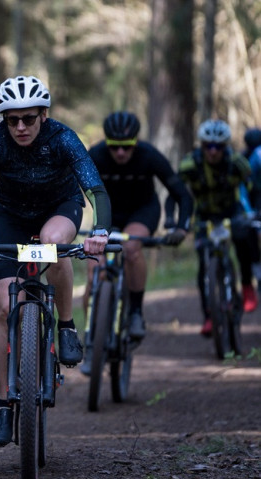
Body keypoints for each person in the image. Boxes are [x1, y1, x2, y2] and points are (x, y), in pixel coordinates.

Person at [0, 75, 111, 448]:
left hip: (60, 208)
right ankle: (5, 402)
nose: (20, 127)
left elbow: (94, 189)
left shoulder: (62, 138)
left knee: (55, 243)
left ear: (44, 114)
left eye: (28, 118)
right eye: (12, 120)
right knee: (8, 309)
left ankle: (67, 325)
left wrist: (100, 231)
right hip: (11, 218)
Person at [81, 111, 193, 373]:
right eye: (115, 147)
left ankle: (135, 313)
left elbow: (181, 194)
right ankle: (91, 339)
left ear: (136, 142)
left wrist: (181, 226)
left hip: (142, 211)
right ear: (107, 143)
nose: (121, 153)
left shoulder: (148, 155)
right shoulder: (95, 155)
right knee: (93, 270)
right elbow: (66, 187)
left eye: (127, 146)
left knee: (131, 248)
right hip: (107, 214)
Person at [172, 119, 259, 336]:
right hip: (204, 214)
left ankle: (247, 285)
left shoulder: (237, 162)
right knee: (204, 263)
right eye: (208, 146)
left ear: (226, 146)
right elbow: (177, 191)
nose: (213, 151)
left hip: (232, 211)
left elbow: (252, 187)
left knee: (242, 239)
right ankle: (209, 315)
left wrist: (254, 211)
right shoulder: (190, 164)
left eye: (218, 146)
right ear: (201, 146)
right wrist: (178, 220)